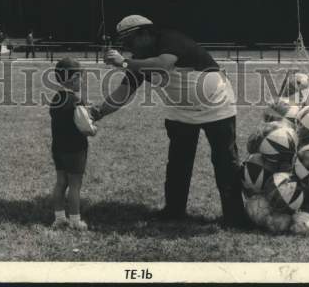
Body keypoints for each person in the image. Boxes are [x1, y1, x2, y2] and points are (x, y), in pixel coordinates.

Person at [90, 15, 248, 228]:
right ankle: (174, 210)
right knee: (178, 163)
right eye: (123, 45)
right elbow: (122, 94)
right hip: (180, 111)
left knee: (225, 161)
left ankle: (235, 217)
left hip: (217, 105)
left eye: (128, 42)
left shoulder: (170, 39)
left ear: (145, 33)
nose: (127, 48)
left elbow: (163, 65)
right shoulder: (140, 61)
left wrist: (124, 62)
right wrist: (98, 112)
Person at [50, 56, 94, 231]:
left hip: (58, 148)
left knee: (61, 182)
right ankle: (75, 220)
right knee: (75, 184)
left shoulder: (56, 98)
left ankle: (59, 218)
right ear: (74, 78)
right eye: (81, 78)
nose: (82, 81)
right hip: (75, 149)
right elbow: (86, 125)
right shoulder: (76, 100)